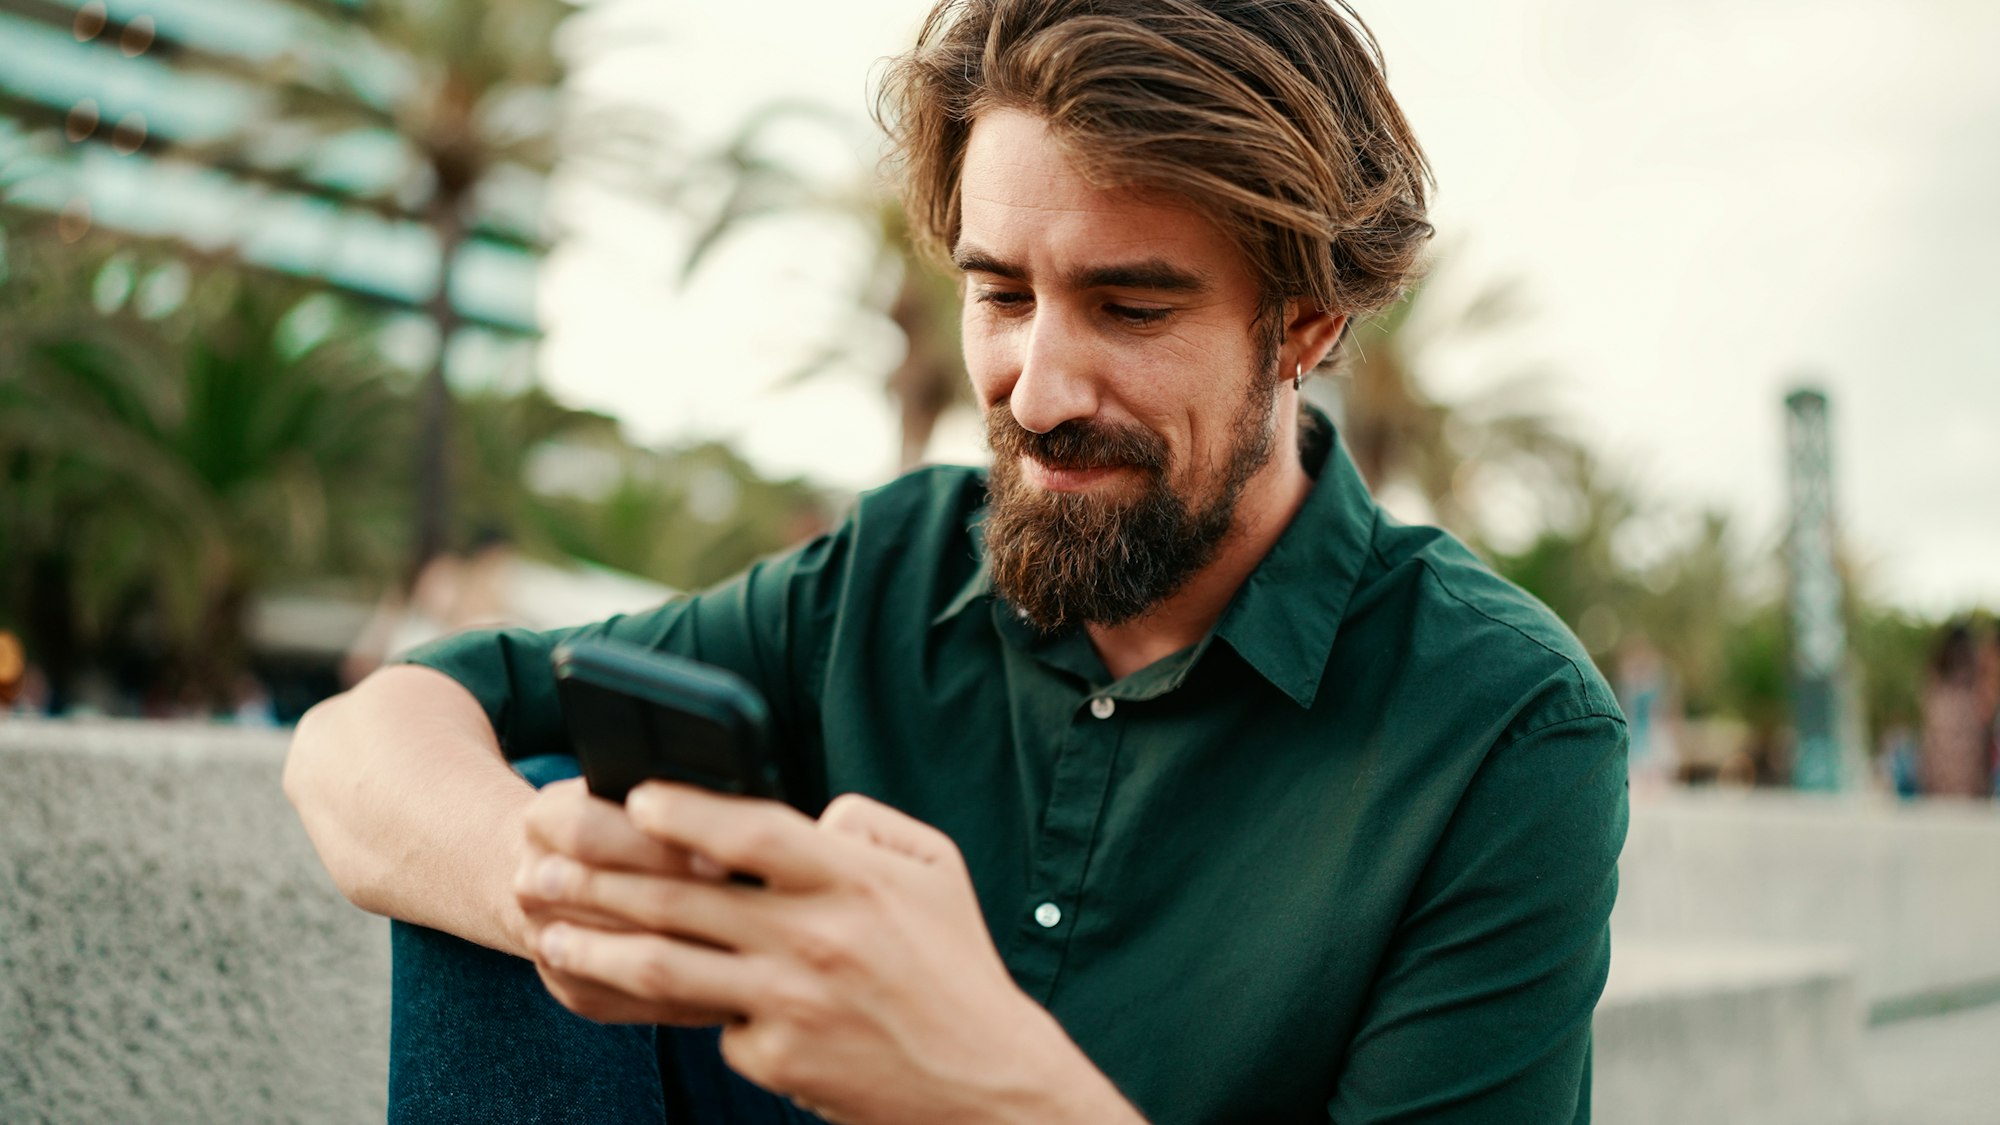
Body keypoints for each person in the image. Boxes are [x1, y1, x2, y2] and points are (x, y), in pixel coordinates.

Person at [283, 2, 1628, 1121]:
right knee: (539, 812)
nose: (1036, 388)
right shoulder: (891, 562)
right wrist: (556, 883)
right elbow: (372, 735)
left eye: (1131, 304)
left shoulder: (1506, 728)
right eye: (1001, 292)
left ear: (1306, 326)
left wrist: (986, 1078)